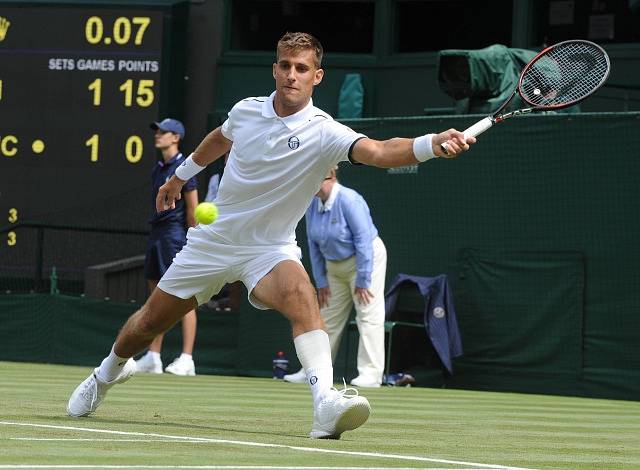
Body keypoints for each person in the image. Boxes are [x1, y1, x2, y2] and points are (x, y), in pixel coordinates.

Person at [67, 32, 475, 439]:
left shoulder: (326, 132)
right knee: (147, 324)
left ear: (317, 76)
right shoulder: (246, 111)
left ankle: (325, 405)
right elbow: (219, 140)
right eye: (285, 66)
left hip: (270, 249)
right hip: (213, 242)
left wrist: (432, 144)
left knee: (303, 298)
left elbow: (383, 152)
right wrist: (180, 177)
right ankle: (105, 375)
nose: (292, 75)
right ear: (275, 69)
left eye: (302, 69)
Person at [284, 167, 387, 388]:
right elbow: (313, 244)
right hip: (334, 267)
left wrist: (363, 279)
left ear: (328, 177)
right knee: (326, 317)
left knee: (368, 314)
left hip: (365, 261)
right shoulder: (312, 204)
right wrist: (321, 281)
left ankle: (371, 374)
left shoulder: (350, 200)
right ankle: (313, 371)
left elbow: (363, 241)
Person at [134, 118, 199, 376]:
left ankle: (187, 359)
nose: (157, 135)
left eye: (163, 132)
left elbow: (193, 207)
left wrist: (192, 239)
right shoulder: (158, 168)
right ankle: (153, 356)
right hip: (157, 234)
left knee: (184, 298)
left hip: (174, 235)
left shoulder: (183, 168)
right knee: (155, 298)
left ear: (176, 137)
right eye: (157, 131)